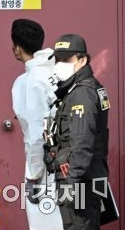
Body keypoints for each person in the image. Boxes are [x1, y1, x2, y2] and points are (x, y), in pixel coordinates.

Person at [44, 34, 109, 230]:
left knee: (79, 226)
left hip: (79, 181)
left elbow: (82, 142)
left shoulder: (82, 93)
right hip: (84, 178)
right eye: (58, 60)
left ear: (83, 60)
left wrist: (72, 183)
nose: (60, 64)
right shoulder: (81, 88)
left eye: (66, 59)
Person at [10, 19, 63, 230]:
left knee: (46, 222)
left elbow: (36, 135)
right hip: (70, 160)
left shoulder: (29, 81)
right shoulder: (57, 72)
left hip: (46, 165)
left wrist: (33, 176)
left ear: (17, 48)